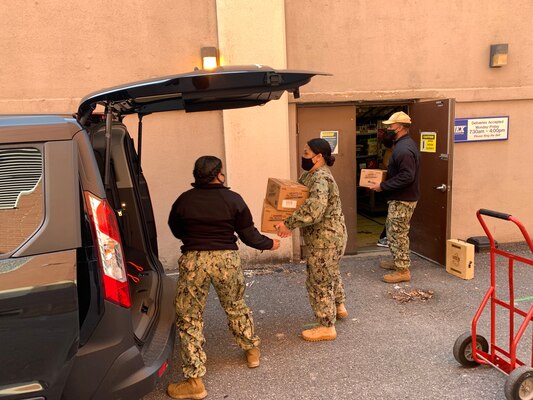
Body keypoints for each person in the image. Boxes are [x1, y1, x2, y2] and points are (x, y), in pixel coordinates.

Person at [167, 155, 280, 400]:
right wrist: (270, 243)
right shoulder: (233, 199)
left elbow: (175, 228)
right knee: (235, 306)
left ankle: (194, 381)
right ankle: (251, 351)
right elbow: (248, 234)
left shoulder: (184, 201)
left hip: (194, 260)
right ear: (218, 174)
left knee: (189, 317)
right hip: (226, 261)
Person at [276, 138, 348, 342]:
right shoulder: (310, 174)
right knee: (330, 272)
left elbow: (314, 211)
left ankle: (326, 326)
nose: (303, 156)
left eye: (306, 153)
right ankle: (338, 305)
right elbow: (296, 195)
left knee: (319, 280)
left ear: (318, 157)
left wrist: (288, 224)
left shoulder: (320, 179)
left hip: (326, 239)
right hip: (327, 237)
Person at [369, 111, 420, 283]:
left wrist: (382, 185)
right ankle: (398, 262)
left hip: (403, 199)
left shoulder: (404, 149)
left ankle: (402, 270)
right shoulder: (403, 145)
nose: (387, 129)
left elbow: (407, 176)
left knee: (397, 233)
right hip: (401, 197)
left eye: (390, 126)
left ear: (399, 127)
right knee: (393, 231)